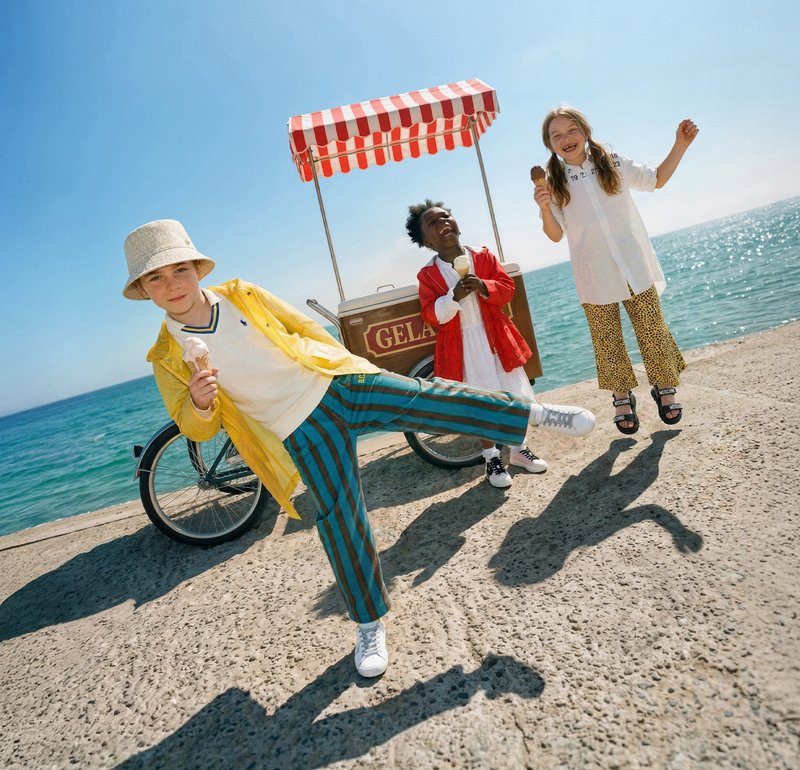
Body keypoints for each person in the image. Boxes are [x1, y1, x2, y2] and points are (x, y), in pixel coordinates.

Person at [122, 219, 596, 678]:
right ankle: (369, 625)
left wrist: (347, 364)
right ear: (144, 291)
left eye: (179, 269)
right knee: (340, 518)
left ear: (197, 268)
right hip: (299, 429)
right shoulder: (166, 356)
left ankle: (533, 414)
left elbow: (304, 329)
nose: (173, 284)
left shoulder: (242, 295)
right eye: (157, 278)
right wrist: (202, 404)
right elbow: (194, 426)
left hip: (339, 382)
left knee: (428, 398)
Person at [532, 107, 698, 433]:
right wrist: (543, 208)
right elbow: (554, 235)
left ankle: (664, 386)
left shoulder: (614, 162)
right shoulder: (554, 184)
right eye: (557, 135)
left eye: (571, 130)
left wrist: (680, 144)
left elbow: (656, 179)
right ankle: (622, 396)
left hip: (633, 264)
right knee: (607, 339)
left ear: (585, 131)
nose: (566, 139)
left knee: (653, 330)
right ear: (549, 145)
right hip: (593, 275)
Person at [408, 200, 548, 488]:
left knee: (512, 393)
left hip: (494, 337)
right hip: (463, 346)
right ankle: (491, 457)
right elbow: (431, 315)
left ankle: (519, 449)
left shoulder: (482, 256)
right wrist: (454, 296)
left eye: (446, 216)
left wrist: (484, 286)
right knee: (479, 399)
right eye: (433, 223)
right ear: (426, 241)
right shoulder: (429, 275)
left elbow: (506, 289)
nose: (443, 223)